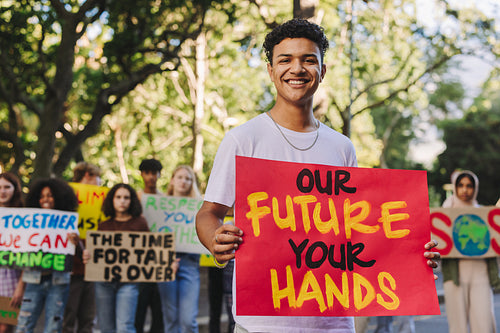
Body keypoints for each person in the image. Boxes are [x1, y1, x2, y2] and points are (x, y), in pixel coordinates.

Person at [195, 18, 440, 333]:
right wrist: (215, 240)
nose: (296, 68)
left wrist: (409, 254)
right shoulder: (243, 140)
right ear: (271, 71)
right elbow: (208, 214)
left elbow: (356, 230)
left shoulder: (341, 148)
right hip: (262, 324)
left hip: (333, 322)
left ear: (322, 71)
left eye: (308, 60)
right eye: (285, 60)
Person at [83, 183, 150, 333]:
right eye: (118, 197)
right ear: (112, 200)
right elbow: (97, 253)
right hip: (104, 283)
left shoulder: (140, 223)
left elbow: (150, 250)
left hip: (129, 282)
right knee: (107, 328)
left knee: (124, 327)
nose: (122, 201)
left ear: (132, 201)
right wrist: (89, 255)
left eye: (126, 197)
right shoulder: (103, 225)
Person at [15, 178, 80, 333]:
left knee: (53, 327)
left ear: (58, 197)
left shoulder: (68, 223)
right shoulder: (28, 224)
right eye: (42, 196)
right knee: (24, 324)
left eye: (50, 195)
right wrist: (20, 285)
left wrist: (75, 242)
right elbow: (24, 256)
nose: (46, 199)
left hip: (58, 281)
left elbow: (76, 252)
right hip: (33, 280)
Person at [441, 170, 500, 333]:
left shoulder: (484, 213)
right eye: (460, 185)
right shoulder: (445, 213)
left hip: (482, 274)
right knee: (457, 326)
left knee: (484, 324)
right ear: (455, 187)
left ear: (475, 188)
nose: (465, 190)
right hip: (455, 276)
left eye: (469, 186)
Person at [158, 165, 201, 333]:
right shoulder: (159, 205)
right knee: (170, 320)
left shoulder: (199, 208)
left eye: (188, 178)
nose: (184, 181)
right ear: (172, 180)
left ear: (192, 183)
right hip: (165, 263)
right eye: (180, 177)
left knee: (188, 321)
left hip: (190, 263)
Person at [62, 162, 102, 333]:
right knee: (68, 318)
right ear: (88, 175)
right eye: (97, 178)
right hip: (71, 269)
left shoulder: (102, 202)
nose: (100, 182)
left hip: (93, 269)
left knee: (88, 319)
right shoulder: (65, 197)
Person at [135, 159, 164, 333]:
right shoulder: (135, 199)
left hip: (159, 259)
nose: (151, 177)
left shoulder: (166, 199)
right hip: (139, 261)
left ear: (159, 175)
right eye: (147, 173)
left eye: (154, 173)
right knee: (139, 309)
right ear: (142, 174)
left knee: (159, 310)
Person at [0, 172, 25, 333]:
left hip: (11, 278)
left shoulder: (25, 218)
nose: (2, 191)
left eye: (7, 187)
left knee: (5, 326)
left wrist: (20, 287)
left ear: (15, 189)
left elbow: (29, 255)